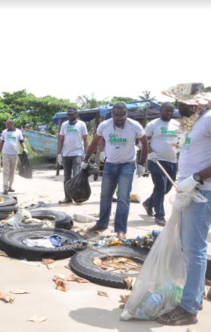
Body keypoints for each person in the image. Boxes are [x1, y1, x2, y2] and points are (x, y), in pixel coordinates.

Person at [156, 84, 211, 326]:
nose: (176, 106)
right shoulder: (194, 122)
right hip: (189, 192)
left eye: (179, 101)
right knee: (189, 248)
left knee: (194, 249)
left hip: (202, 193)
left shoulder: (208, 120)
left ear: (193, 103)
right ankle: (195, 297)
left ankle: (188, 308)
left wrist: (197, 178)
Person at [83, 103, 148, 240]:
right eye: (116, 115)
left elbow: (145, 143)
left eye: (122, 115)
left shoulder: (135, 125)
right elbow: (95, 143)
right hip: (110, 164)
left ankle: (120, 229)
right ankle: (102, 223)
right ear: (111, 114)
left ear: (126, 114)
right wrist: (86, 160)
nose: (119, 118)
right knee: (105, 195)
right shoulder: (104, 126)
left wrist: (142, 164)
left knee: (123, 198)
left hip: (127, 165)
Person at [142, 102, 180, 226]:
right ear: (161, 111)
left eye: (171, 111)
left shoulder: (176, 124)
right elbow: (144, 141)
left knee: (167, 188)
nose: (169, 113)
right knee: (160, 186)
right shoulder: (153, 124)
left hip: (172, 160)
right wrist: (150, 152)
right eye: (166, 111)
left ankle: (149, 203)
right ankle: (159, 216)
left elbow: (180, 141)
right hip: (156, 160)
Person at [57, 108, 89, 204]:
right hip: (66, 154)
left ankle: (78, 198)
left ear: (76, 114)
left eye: (72, 114)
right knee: (67, 178)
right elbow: (61, 140)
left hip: (77, 153)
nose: (70, 116)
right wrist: (59, 153)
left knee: (76, 176)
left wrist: (86, 154)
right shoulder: (64, 125)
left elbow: (86, 140)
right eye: (68, 114)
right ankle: (67, 198)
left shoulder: (81, 124)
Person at [0, 119, 27, 194]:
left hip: (14, 154)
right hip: (6, 154)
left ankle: (10, 186)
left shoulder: (18, 132)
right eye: (6, 124)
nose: (6, 126)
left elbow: (21, 141)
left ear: (12, 124)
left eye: (7, 124)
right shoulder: (4, 132)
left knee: (12, 171)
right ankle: (5, 187)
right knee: (5, 171)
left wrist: (25, 148)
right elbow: (2, 142)